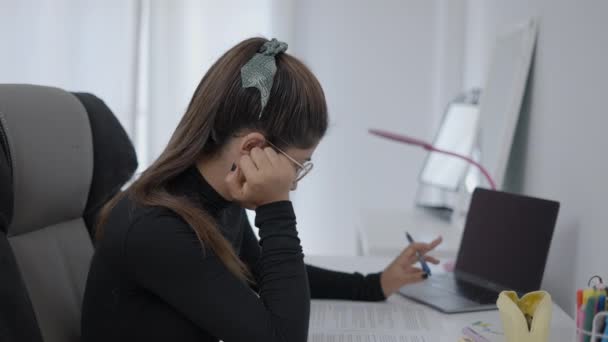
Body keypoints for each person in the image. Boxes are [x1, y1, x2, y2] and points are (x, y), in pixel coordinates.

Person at [81, 37, 441, 342]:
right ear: (253, 149)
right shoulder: (158, 227)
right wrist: (275, 207)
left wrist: (374, 284)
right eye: (298, 166)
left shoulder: (214, 196)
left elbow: (262, 272)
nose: (294, 182)